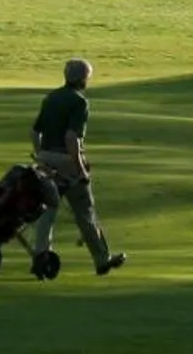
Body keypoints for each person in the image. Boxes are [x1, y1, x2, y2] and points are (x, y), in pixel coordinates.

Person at [29, 57, 125, 277]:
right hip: (67, 161)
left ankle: (41, 256)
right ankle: (102, 260)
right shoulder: (79, 102)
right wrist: (81, 170)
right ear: (83, 79)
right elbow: (72, 138)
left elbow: (35, 132)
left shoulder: (51, 97)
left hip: (46, 159)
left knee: (47, 210)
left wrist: (41, 156)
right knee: (85, 211)